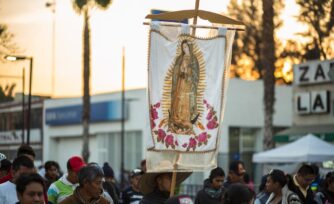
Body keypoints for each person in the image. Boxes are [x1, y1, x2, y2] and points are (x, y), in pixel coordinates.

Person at [169, 39, 200, 135]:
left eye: (186, 47)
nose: (184, 49)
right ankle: (177, 119)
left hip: (188, 84)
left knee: (186, 101)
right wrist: (180, 70)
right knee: (179, 99)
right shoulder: (180, 58)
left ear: (189, 47)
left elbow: (196, 73)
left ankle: (186, 120)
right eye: (183, 47)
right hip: (180, 82)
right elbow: (175, 71)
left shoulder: (193, 59)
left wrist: (188, 70)